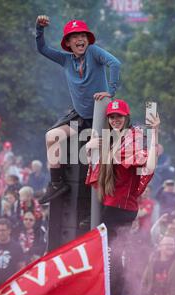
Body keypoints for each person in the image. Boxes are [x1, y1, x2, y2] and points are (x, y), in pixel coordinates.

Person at [35, 15, 121, 204]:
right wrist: (39, 29)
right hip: (81, 117)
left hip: (101, 119)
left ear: (87, 39)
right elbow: (42, 48)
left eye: (82, 35)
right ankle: (57, 184)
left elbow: (115, 63)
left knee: (93, 161)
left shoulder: (94, 52)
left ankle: (99, 208)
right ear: (68, 42)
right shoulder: (65, 60)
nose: (79, 39)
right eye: (74, 36)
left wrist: (110, 92)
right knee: (51, 137)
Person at [85, 99, 159, 295]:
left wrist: (155, 133)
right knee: (108, 259)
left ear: (126, 117)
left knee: (113, 260)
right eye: (111, 116)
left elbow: (149, 165)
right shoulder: (110, 140)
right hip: (109, 206)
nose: (115, 120)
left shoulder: (132, 138)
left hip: (120, 210)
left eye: (119, 116)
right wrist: (91, 147)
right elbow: (96, 168)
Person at [0, 219, 24, 284]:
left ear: (9, 231)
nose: (0, 233)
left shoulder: (17, 247)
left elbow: (21, 267)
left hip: (11, 284)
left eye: (3, 230)